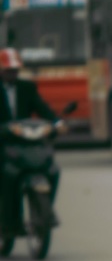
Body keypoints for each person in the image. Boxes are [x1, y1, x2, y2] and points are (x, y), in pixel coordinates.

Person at [0, 48, 66, 239]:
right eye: (8, 70)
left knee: (52, 170)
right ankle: (9, 221)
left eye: (15, 70)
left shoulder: (27, 87)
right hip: (3, 143)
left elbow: (42, 108)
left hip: (25, 142)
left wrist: (56, 123)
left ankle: (45, 210)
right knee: (8, 175)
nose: (12, 73)